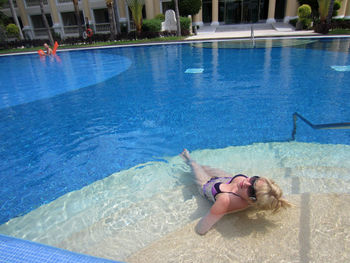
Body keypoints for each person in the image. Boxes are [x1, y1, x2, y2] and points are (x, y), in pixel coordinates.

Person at [180, 149, 292, 235]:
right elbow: (275, 195)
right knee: (204, 167)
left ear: (253, 200)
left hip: (207, 185)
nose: (246, 182)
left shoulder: (226, 201)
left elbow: (202, 229)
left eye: (251, 190)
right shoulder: (255, 190)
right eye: (254, 179)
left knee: (193, 165)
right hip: (226, 179)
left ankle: (188, 158)